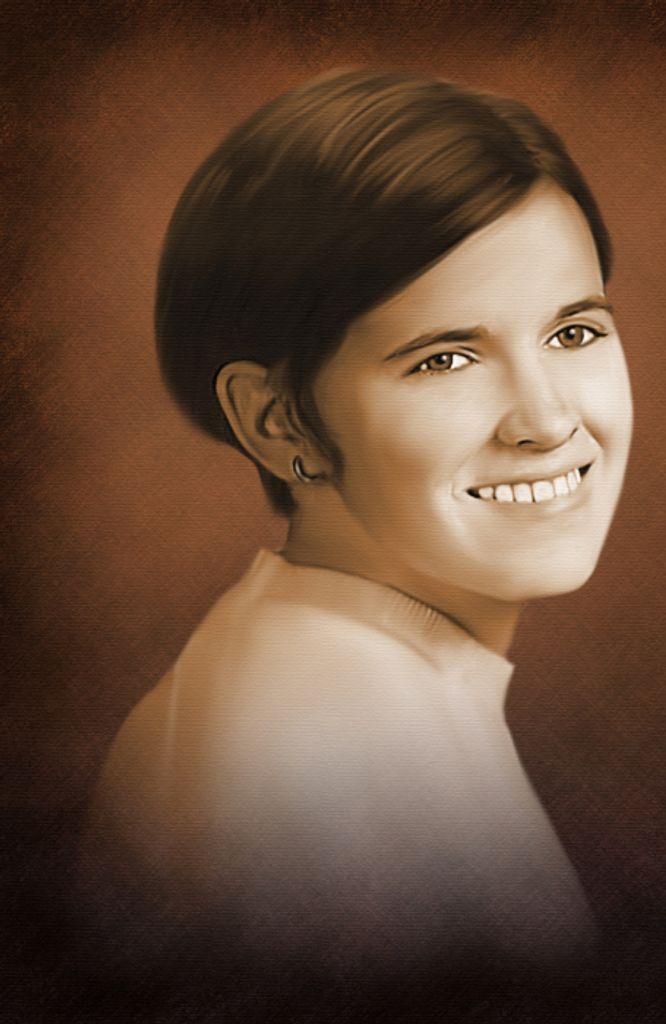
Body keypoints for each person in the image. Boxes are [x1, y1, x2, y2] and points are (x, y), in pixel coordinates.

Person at [84, 68, 632, 995]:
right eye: (444, 358)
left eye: (573, 333)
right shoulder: (337, 754)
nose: (544, 420)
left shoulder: (325, 670)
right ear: (278, 422)